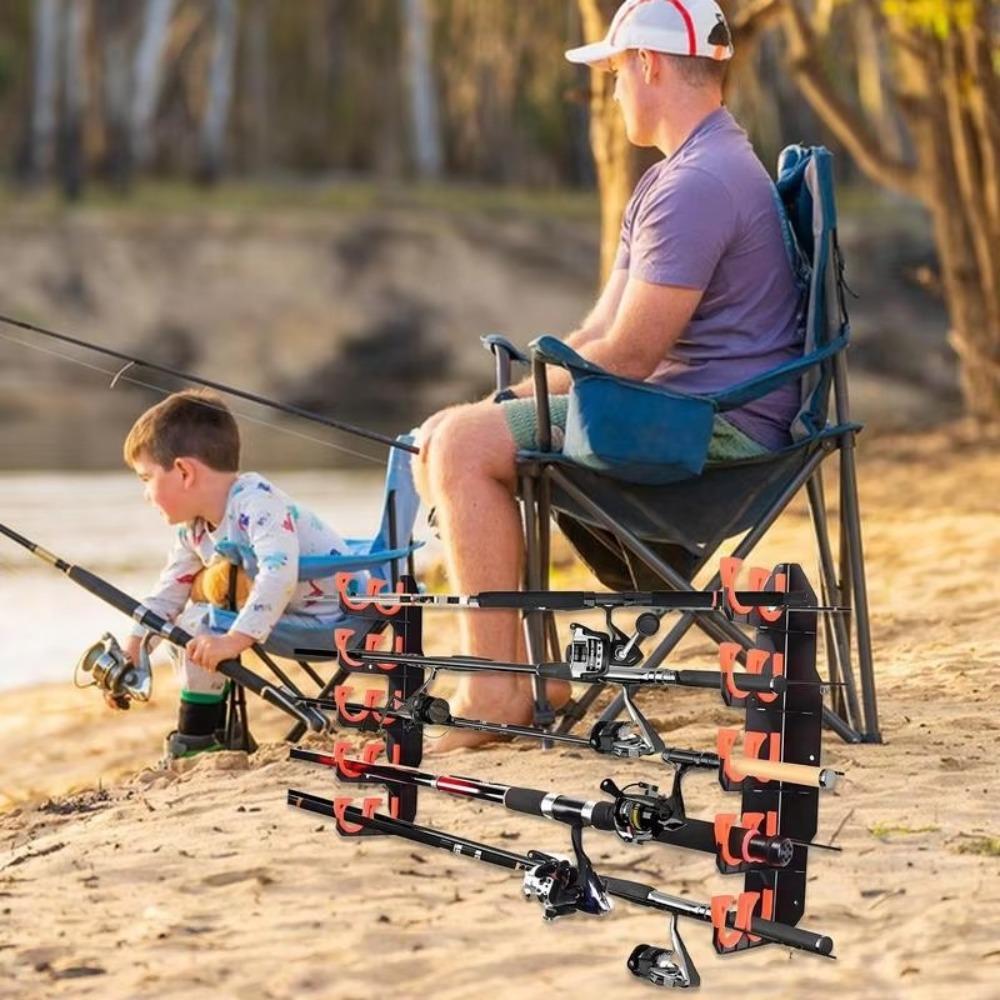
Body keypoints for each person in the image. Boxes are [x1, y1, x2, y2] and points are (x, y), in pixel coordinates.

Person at [414, 0, 804, 750]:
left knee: (462, 448)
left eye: (617, 73)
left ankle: (495, 694)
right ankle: (537, 676)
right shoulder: (681, 174)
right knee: (457, 436)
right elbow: (595, 335)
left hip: (709, 432)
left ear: (650, 66)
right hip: (680, 410)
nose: (614, 90)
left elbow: (627, 357)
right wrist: (508, 404)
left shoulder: (698, 185)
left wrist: (486, 423)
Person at [118, 388, 353, 761]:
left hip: (334, 618)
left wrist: (233, 640)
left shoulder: (257, 503)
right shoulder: (194, 530)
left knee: (205, 622)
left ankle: (196, 738)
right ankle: (208, 732)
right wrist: (134, 650)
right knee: (192, 616)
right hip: (281, 617)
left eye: (146, 478)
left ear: (183, 471)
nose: (146, 493)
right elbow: (167, 595)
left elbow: (279, 573)